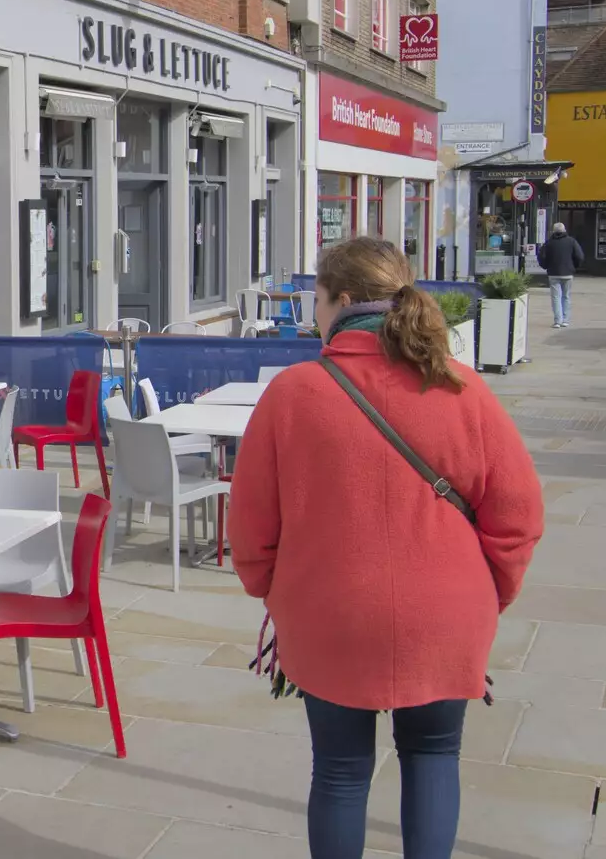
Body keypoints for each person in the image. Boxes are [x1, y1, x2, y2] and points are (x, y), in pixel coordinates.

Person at [228, 237, 544, 859]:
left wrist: (279, 593)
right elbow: (520, 516)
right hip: (447, 614)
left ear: (341, 301)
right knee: (433, 756)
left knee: (341, 772)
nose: (313, 313)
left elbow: (249, 530)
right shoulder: (461, 388)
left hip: (329, 615)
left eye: (314, 300)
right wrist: (487, 594)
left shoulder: (294, 393)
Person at [535, 221, 585, 327]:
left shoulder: (549, 243)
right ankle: (565, 320)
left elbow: (541, 256)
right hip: (568, 273)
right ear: (564, 230)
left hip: (553, 273)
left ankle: (558, 321)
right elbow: (580, 256)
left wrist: (546, 266)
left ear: (553, 231)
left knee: (556, 297)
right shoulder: (571, 241)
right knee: (566, 296)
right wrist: (574, 267)